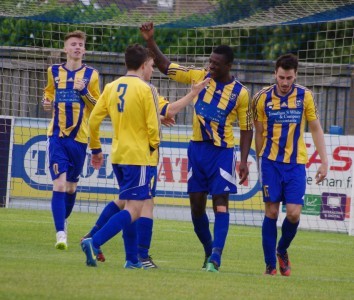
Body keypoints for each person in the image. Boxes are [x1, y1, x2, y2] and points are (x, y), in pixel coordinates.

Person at [80, 44, 209, 268]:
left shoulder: (111, 87)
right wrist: (154, 147)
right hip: (140, 157)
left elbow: (93, 120)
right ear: (142, 66)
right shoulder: (146, 89)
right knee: (134, 209)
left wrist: (96, 148)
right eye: (150, 65)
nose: (152, 70)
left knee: (130, 203)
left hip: (118, 155)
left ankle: (132, 260)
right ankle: (95, 240)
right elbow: (152, 126)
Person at [140, 22, 254, 273]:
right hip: (197, 151)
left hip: (222, 153)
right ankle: (208, 250)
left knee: (221, 203)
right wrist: (150, 40)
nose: (210, 65)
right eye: (210, 61)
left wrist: (244, 161)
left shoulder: (241, 93)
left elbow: (247, 129)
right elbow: (165, 66)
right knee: (196, 208)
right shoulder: (198, 76)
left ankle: (216, 256)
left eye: (216, 63)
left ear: (228, 66)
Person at [252, 53, 328, 276]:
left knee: (294, 213)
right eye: (282, 77)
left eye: (290, 78)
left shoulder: (305, 96)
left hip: (296, 164)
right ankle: (270, 266)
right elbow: (258, 131)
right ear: (275, 74)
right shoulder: (261, 98)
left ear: (296, 76)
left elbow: (315, 127)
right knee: (272, 211)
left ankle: (282, 250)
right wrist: (258, 161)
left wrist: (324, 161)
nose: (285, 83)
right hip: (270, 162)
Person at [43, 30, 100, 250]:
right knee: (59, 184)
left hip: (80, 138)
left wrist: (84, 90)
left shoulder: (92, 75)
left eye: (80, 44)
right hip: (56, 136)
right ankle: (60, 235)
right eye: (73, 44)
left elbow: (98, 105)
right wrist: (46, 100)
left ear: (84, 49)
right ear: (65, 49)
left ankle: (63, 220)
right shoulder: (54, 71)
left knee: (70, 187)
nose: (77, 47)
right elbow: (48, 92)